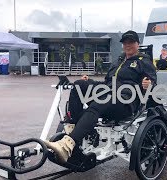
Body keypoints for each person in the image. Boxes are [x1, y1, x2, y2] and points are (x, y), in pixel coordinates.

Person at [44, 30, 157, 163]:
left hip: (126, 101)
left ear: (138, 44)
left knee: (100, 101)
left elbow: (152, 82)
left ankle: (67, 145)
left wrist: (148, 84)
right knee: (79, 85)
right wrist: (89, 81)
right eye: (125, 42)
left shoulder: (143, 61)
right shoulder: (118, 61)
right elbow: (106, 83)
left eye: (131, 42)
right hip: (108, 92)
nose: (128, 45)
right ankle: (75, 130)